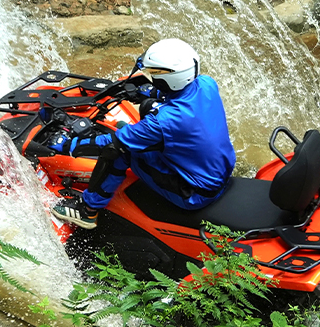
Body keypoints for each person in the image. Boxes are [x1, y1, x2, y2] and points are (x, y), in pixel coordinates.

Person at [50, 38, 236, 229]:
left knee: (118, 152)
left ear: (170, 79)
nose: (152, 76)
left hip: (194, 193)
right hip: (217, 172)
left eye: (155, 73)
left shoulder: (164, 121)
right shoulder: (206, 83)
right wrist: (152, 93)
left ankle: (87, 211)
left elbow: (112, 142)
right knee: (148, 107)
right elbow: (180, 98)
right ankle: (139, 137)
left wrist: (68, 145)